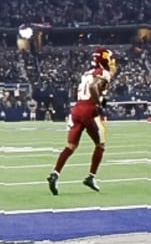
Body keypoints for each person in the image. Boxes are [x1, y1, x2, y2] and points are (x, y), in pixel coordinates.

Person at [48, 47, 118, 195]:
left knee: (70, 146)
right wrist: (98, 103)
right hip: (88, 110)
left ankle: (55, 173)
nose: (111, 62)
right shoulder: (103, 73)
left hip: (77, 109)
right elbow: (93, 87)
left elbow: (86, 89)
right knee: (101, 144)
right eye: (110, 59)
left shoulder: (87, 73)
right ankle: (91, 177)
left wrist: (100, 98)